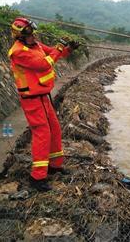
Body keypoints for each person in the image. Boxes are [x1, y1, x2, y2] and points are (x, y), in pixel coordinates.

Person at [8, 17, 80, 191]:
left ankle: (54, 165)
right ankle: (37, 177)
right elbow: (43, 64)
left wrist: (68, 48)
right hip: (32, 100)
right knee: (42, 133)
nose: (34, 36)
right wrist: (59, 47)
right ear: (20, 36)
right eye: (30, 34)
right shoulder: (18, 52)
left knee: (54, 128)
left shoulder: (36, 46)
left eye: (33, 33)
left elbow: (54, 53)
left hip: (43, 97)